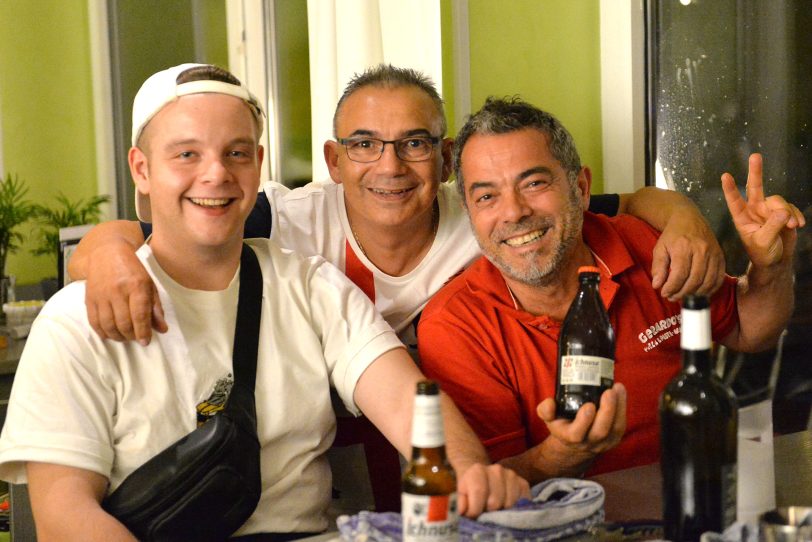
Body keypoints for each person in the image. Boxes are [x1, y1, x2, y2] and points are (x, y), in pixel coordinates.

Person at [0, 65, 529, 541]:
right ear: (141, 169)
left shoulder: (312, 287)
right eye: (187, 154)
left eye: (235, 153)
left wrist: (469, 471)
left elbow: (411, 410)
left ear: (257, 163)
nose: (215, 174)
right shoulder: (74, 322)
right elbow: (65, 515)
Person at [68, 65, 726, 353]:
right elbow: (153, 229)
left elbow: (621, 202)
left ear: (443, 160)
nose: (388, 167)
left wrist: (688, 218)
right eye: (363, 145)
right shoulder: (288, 218)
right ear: (331, 162)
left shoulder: (490, 214)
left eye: (413, 144)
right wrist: (106, 256)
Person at [417, 96, 802, 484]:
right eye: (486, 197)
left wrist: (771, 267)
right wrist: (563, 456)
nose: (514, 212)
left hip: (693, 494)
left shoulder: (646, 245)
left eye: (534, 183)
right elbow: (480, 484)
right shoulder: (453, 326)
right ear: (469, 212)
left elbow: (748, 329)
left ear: (581, 188)